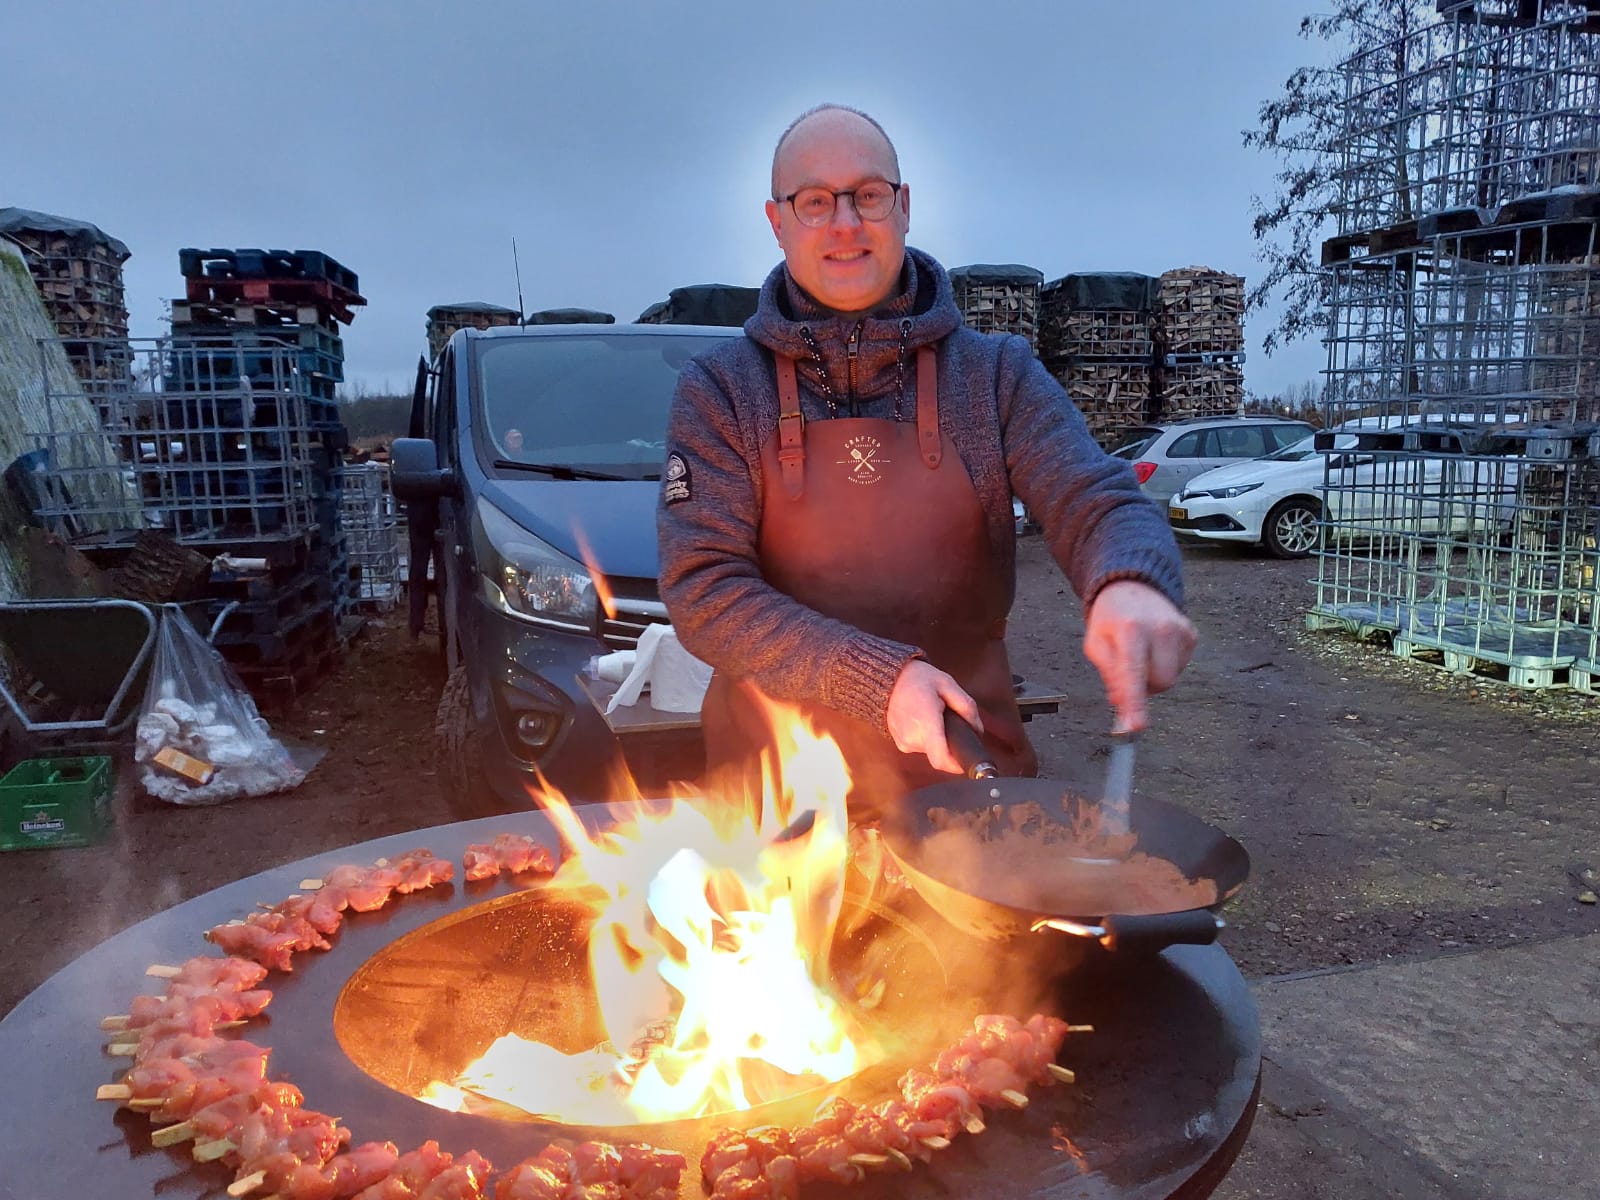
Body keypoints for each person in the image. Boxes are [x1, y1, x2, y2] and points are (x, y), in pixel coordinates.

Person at [656, 103, 1195, 810]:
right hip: (772, 800)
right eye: (814, 201)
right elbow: (705, 589)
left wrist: (1129, 578)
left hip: (966, 779)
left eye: (868, 195)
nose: (845, 223)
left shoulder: (995, 376)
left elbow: (1094, 497)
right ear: (777, 221)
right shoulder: (723, 389)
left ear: (904, 206)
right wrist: (881, 680)